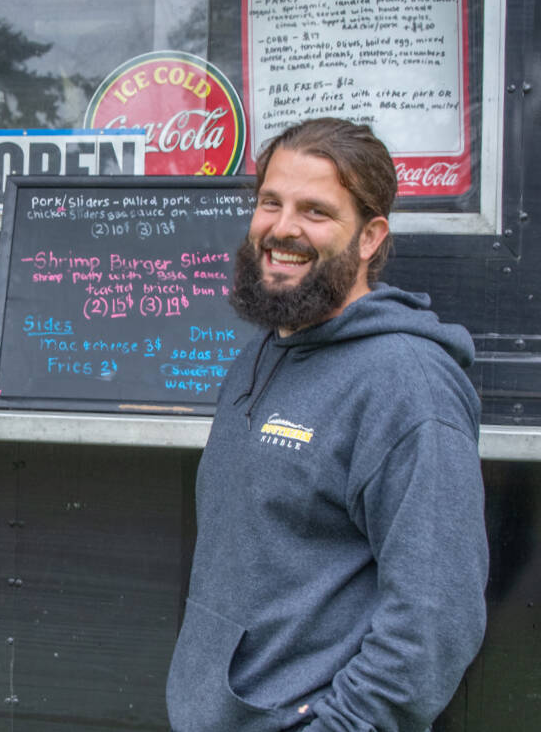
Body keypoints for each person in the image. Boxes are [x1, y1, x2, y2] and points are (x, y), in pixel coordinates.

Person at [166, 118, 488, 731]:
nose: (281, 229)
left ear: (369, 237)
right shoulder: (262, 352)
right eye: (270, 202)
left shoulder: (407, 384)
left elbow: (435, 620)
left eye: (315, 211)